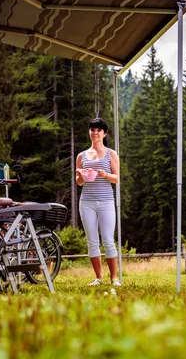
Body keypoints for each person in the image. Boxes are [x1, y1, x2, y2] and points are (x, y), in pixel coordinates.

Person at [76, 117, 121, 287]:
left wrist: (104, 174)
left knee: (108, 240)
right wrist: (81, 174)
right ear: (89, 132)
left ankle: (114, 278)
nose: (95, 133)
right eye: (92, 130)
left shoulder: (111, 154)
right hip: (86, 201)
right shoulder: (82, 156)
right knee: (92, 241)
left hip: (106, 201)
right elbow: (79, 182)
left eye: (98, 130)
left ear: (104, 134)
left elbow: (116, 178)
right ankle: (99, 277)